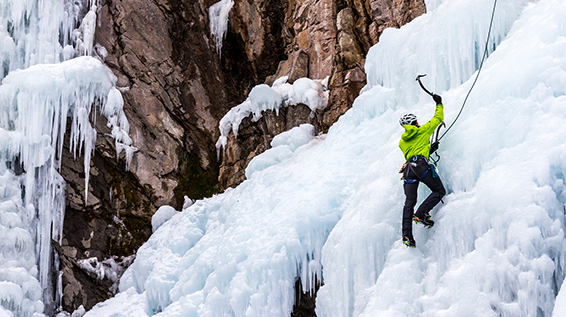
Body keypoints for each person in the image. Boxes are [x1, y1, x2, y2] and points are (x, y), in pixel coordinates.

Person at [398, 94, 446, 247]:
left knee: (409, 202)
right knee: (439, 191)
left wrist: (429, 150)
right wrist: (439, 103)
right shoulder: (422, 130)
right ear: (415, 122)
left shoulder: (402, 142)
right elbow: (437, 119)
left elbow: (413, 151)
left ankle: (407, 235)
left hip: (408, 170)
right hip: (420, 165)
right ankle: (421, 213)